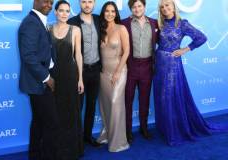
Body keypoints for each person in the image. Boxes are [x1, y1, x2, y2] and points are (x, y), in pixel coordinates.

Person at [154, 0, 227, 146]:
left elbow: (201, 38)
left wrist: (185, 50)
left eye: (167, 5)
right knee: (161, 98)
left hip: (173, 66)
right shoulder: (159, 24)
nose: (165, 8)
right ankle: (165, 128)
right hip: (159, 64)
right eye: (162, 7)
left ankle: (175, 131)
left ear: (174, 6)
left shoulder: (182, 23)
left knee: (171, 97)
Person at [18, 0, 62, 159]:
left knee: (38, 122)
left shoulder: (38, 20)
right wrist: (47, 77)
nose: (49, 5)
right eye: (46, 1)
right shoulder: (31, 23)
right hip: (39, 81)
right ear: (35, 1)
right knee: (52, 124)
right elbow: (28, 56)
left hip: (42, 79)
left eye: (51, 2)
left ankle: (35, 155)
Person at [49, 0, 84, 159]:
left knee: (71, 112)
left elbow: (78, 55)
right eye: (61, 10)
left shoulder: (75, 29)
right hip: (54, 76)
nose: (64, 14)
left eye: (67, 11)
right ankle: (58, 149)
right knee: (56, 112)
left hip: (71, 76)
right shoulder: (48, 28)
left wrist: (80, 79)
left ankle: (73, 150)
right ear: (55, 12)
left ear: (70, 13)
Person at [121, 0, 158, 144]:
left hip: (148, 66)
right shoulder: (124, 23)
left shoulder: (155, 23)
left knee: (144, 100)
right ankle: (128, 131)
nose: (137, 9)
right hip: (130, 67)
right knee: (127, 100)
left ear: (144, 7)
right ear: (131, 9)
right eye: (133, 7)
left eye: (139, 6)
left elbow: (161, 40)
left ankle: (144, 128)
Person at [96, 1, 130, 152]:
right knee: (106, 105)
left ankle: (118, 142)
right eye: (107, 11)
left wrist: (117, 72)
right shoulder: (100, 28)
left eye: (112, 11)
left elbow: (127, 51)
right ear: (103, 13)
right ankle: (107, 134)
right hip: (103, 73)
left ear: (116, 13)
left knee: (116, 104)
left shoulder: (121, 28)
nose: (110, 14)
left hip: (119, 71)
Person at [68, 0, 101, 147]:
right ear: (79, 3)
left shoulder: (99, 19)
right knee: (77, 107)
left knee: (91, 105)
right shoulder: (72, 22)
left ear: (93, 3)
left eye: (90, 1)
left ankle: (88, 136)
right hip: (79, 72)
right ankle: (75, 140)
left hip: (96, 70)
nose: (87, 5)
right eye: (83, 1)